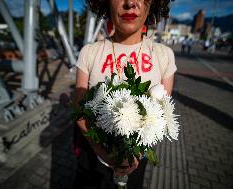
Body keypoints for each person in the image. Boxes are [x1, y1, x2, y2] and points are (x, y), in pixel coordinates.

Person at [73, 0, 177, 188]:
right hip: (93, 158)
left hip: (137, 162)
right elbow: (79, 109)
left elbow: (163, 115)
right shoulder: (89, 52)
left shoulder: (164, 55)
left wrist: (134, 155)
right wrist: (103, 154)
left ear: (152, 3)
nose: (130, 3)